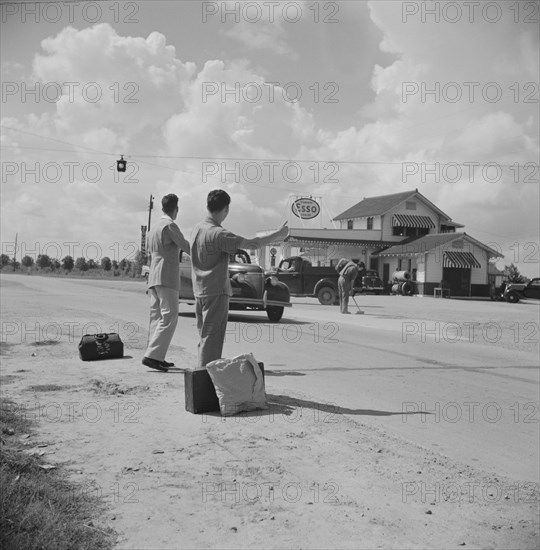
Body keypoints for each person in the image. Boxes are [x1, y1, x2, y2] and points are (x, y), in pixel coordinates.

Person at [191, 189, 288, 368]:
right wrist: (278, 235)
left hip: (199, 290)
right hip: (215, 292)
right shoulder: (219, 233)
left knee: (204, 337)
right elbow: (252, 244)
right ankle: (205, 380)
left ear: (208, 205)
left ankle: (200, 376)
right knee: (212, 339)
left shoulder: (197, 229)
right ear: (226, 209)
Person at [142, 194, 190, 372]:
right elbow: (185, 246)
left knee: (157, 317)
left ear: (162, 208)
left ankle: (155, 355)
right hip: (167, 275)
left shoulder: (153, 228)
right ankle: (152, 356)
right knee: (170, 316)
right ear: (176, 208)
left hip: (153, 275)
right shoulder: (170, 225)